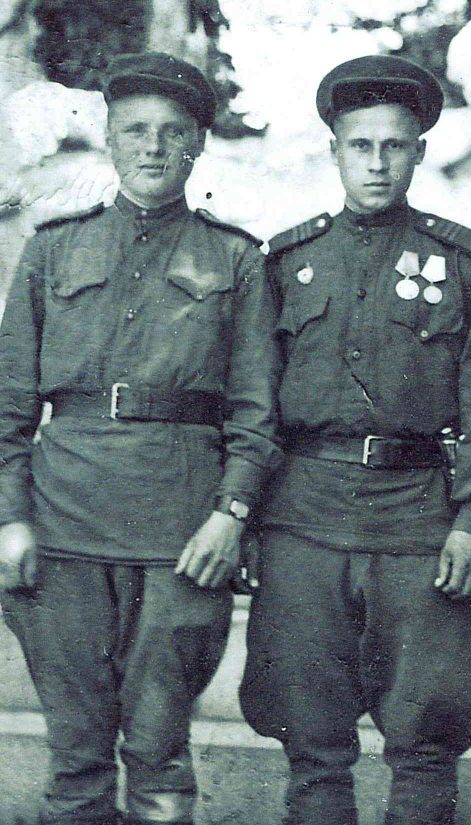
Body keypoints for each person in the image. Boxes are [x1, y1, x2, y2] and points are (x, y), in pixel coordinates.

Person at [0, 52, 280, 825]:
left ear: (199, 145)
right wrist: (9, 515)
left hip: (180, 533)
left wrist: (230, 514)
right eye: (135, 130)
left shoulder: (234, 257)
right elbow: (8, 405)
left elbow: (257, 412)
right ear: (110, 140)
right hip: (63, 524)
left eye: (173, 132)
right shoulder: (52, 248)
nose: (154, 146)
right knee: (76, 757)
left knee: (159, 755)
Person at [237, 55, 471, 825]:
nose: (377, 162)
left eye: (394, 146)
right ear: (334, 150)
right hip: (304, 519)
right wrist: (249, 519)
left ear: (419, 152)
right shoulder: (289, 260)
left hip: (417, 519)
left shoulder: (462, 260)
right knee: (310, 736)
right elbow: (255, 404)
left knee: (428, 730)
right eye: (360, 145)